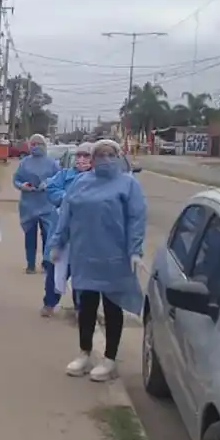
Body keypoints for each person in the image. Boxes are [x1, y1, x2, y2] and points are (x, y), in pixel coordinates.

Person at [48, 139, 147, 382]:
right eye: (100, 155)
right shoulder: (81, 183)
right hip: (85, 255)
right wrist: (57, 243)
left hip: (114, 257)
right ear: (93, 159)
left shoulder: (128, 184)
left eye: (110, 154)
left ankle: (110, 359)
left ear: (118, 157)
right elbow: (67, 215)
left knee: (112, 306)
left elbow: (136, 218)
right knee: (87, 306)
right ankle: (84, 353)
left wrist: (135, 251)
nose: (105, 159)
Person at [40, 142, 93, 317]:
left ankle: (80, 308)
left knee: (82, 274)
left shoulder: (97, 179)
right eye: (79, 156)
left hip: (85, 235)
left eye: (86, 156)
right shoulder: (64, 175)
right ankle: (49, 303)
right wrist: (67, 198)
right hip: (63, 232)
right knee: (55, 269)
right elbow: (52, 189)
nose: (82, 159)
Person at [13, 133, 60, 273]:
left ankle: (46, 263)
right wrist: (23, 186)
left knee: (48, 235)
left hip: (47, 204)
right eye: (33, 144)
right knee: (30, 236)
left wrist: (48, 184)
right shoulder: (24, 163)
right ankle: (30, 264)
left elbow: (59, 179)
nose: (36, 147)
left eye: (39, 144)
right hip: (29, 205)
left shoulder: (52, 163)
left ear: (44, 146)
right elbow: (16, 179)